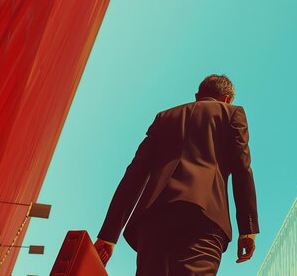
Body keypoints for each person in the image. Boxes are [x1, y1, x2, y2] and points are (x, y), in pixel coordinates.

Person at [94, 74, 259, 275]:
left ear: (198, 95)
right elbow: (242, 168)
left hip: (154, 221)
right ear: (226, 99)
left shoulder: (164, 117)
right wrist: (247, 228)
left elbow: (134, 173)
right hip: (204, 219)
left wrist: (109, 235)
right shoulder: (232, 113)